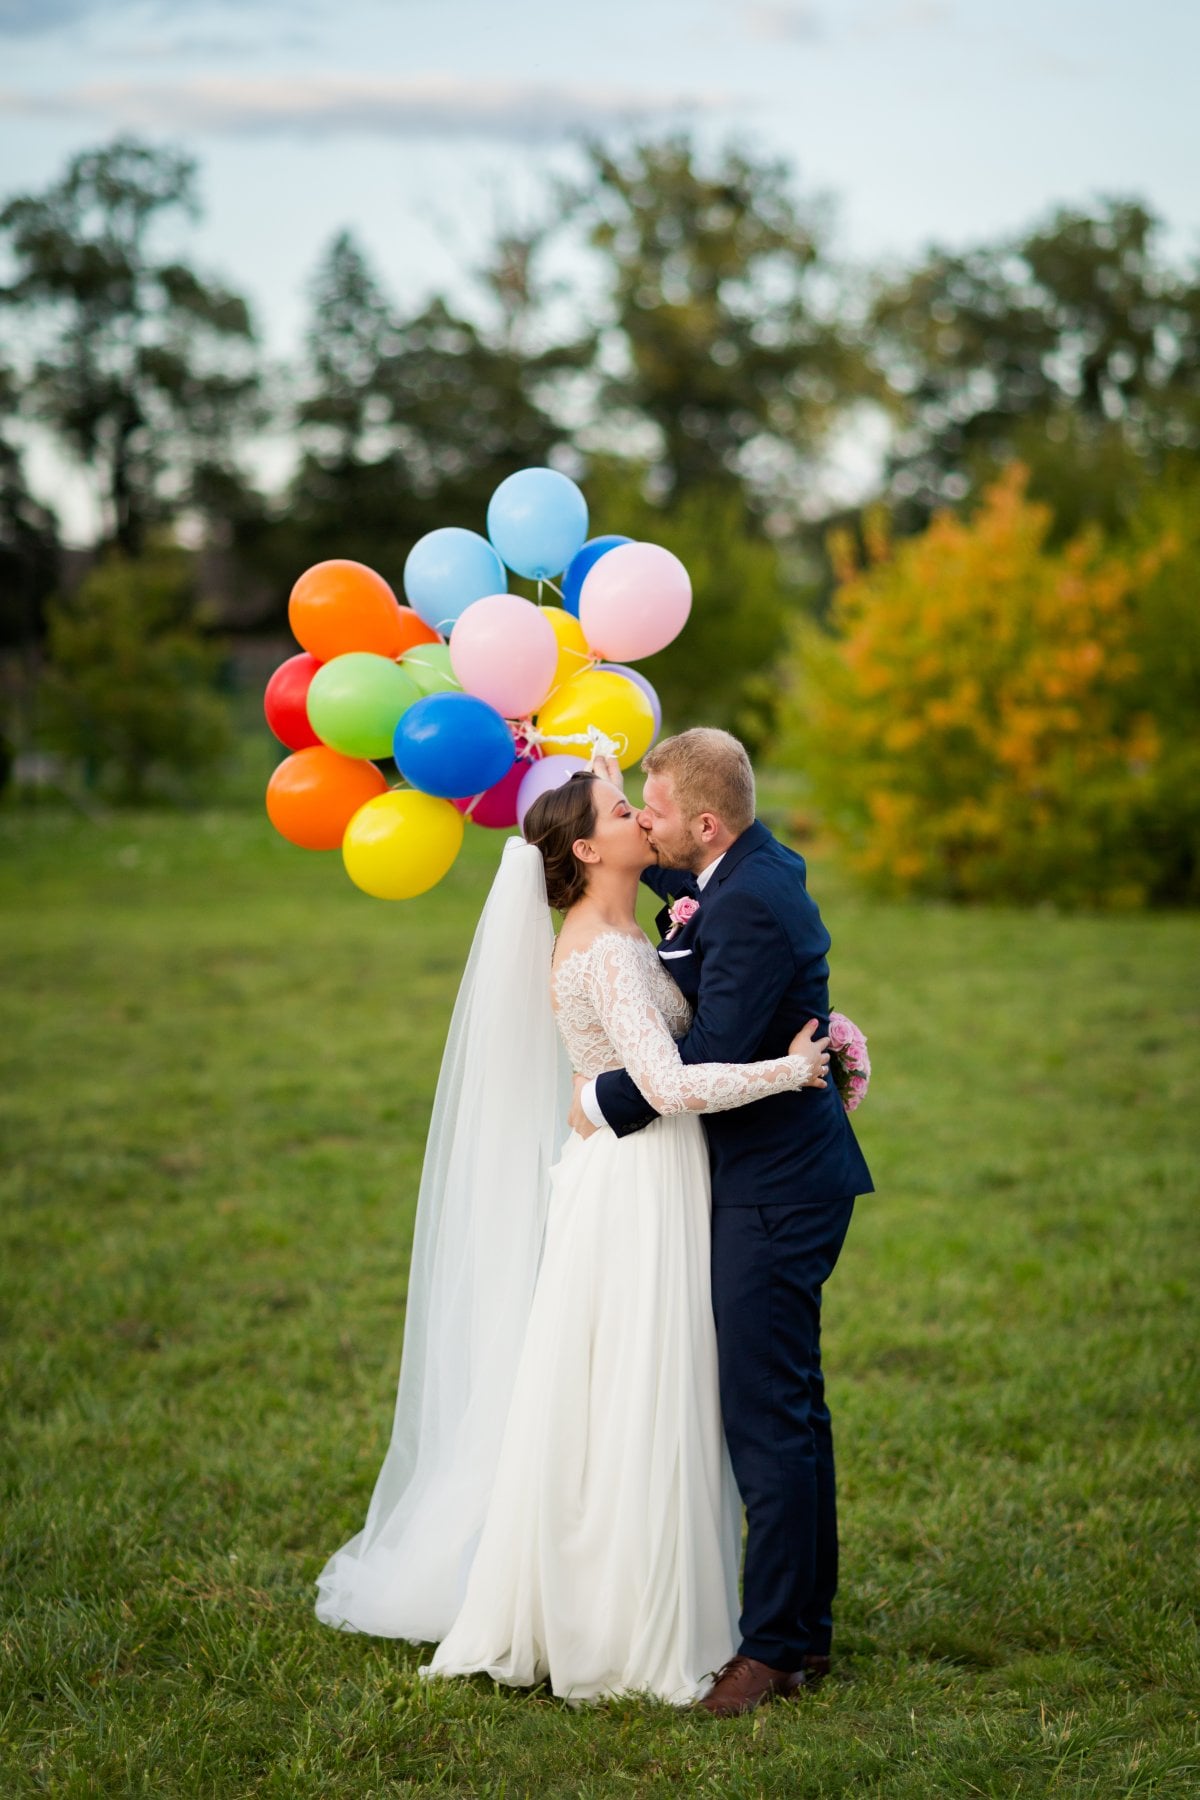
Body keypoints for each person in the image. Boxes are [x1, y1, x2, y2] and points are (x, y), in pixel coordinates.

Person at [315, 762, 831, 1706]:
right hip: (635, 1184)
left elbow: (720, 940)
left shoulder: (640, 919)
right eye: (621, 809)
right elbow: (671, 1084)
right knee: (628, 1385)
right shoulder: (601, 949)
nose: (641, 815)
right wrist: (789, 1073)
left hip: (658, 1172)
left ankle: (710, 1610)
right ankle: (617, 1614)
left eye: (648, 804)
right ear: (589, 849)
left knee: (652, 1386)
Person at [571, 729, 873, 1715]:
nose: (641, 824)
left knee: (768, 1417)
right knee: (794, 1407)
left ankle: (775, 1651)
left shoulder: (744, 902)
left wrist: (598, 1102)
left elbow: (708, 1064)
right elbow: (710, 916)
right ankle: (806, 1633)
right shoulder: (751, 865)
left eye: (651, 812)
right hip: (785, 1176)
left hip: (774, 1187)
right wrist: (623, 808)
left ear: (706, 825)